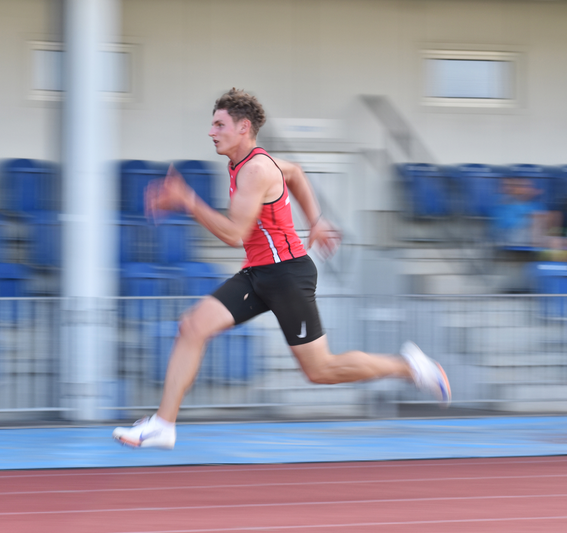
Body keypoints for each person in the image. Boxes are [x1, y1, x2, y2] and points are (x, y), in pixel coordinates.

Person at [113, 88, 451, 449]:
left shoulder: (255, 170)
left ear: (243, 128)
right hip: (259, 273)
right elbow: (296, 172)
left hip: (288, 275)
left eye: (219, 125)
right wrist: (316, 221)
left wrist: (188, 200)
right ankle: (164, 424)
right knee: (192, 327)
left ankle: (409, 367)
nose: (211, 132)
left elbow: (233, 234)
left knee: (320, 371)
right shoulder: (248, 164)